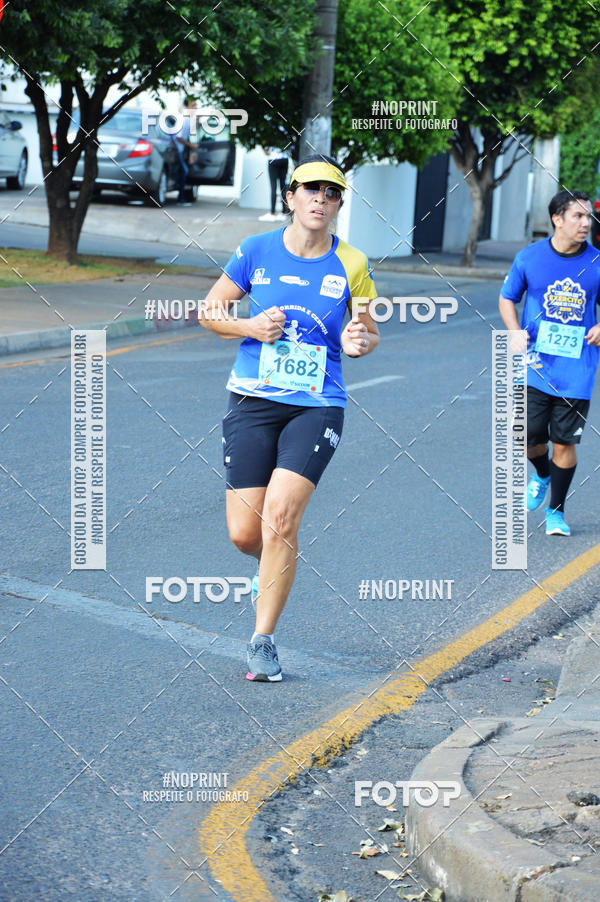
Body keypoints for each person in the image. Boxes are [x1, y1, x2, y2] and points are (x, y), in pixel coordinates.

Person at [200, 154, 379, 680]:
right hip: (252, 401)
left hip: (318, 404)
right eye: (311, 189)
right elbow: (210, 312)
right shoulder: (255, 251)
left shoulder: (353, 263)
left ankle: (262, 640)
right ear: (291, 197)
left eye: (332, 192)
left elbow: (367, 333)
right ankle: (272, 564)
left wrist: (360, 339)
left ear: (340, 204)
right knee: (245, 534)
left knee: (281, 519)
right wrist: (250, 327)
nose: (322, 198)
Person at [499, 189, 600, 536]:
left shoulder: (597, 263)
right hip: (534, 366)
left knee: (564, 442)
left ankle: (556, 513)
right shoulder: (529, 258)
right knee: (526, 436)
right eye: (579, 216)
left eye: (588, 216)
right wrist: (513, 331)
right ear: (557, 219)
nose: (587, 222)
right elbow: (507, 298)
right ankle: (541, 473)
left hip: (577, 370)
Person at [173, 97, 198, 206]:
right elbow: (178, 137)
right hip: (176, 149)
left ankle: (181, 197)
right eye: (193, 105)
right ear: (187, 107)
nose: (196, 108)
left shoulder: (188, 119)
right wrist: (191, 146)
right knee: (184, 171)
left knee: (182, 171)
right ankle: (181, 198)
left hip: (180, 149)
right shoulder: (184, 119)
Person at [260, 147, 290, 221]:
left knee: (273, 187)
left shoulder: (270, 137)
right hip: (284, 159)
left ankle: (272, 213)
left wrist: (262, 146)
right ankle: (283, 212)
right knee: (282, 186)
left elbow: (267, 153)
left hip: (273, 159)